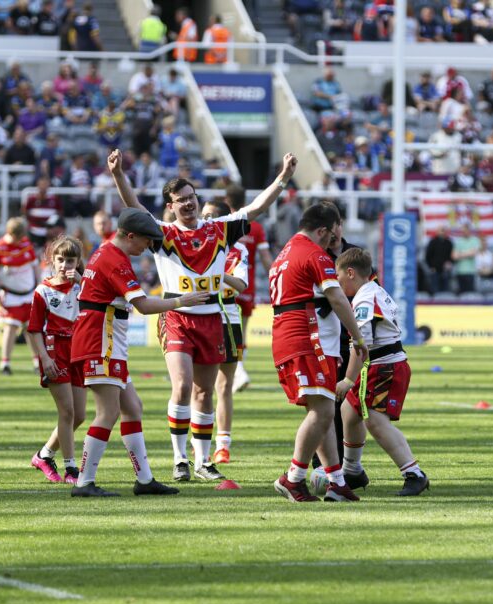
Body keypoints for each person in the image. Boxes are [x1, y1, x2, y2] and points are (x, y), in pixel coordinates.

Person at [107, 148, 297, 483]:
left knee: (204, 393)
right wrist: (119, 175)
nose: (188, 203)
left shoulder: (220, 228)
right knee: (181, 386)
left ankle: (203, 461)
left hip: (213, 319)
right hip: (177, 317)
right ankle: (180, 460)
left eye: (191, 197)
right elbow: (134, 209)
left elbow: (257, 208)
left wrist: (282, 179)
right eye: (180, 199)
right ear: (170, 206)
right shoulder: (163, 234)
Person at [69, 208, 206, 497]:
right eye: (146, 240)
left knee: (132, 408)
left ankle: (144, 480)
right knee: (108, 412)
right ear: (130, 236)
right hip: (101, 342)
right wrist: (181, 301)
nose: (148, 247)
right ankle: (84, 482)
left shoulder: (105, 252)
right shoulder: (114, 259)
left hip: (104, 340)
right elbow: (143, 306)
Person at [269, 201, 367, 502]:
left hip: (293, 334)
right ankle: (293, 477)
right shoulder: (314, 253)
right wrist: (357, 337)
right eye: (332, 233)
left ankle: (336, 481)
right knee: (324, 410)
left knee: (321, 410)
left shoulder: (285, 252)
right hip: (307, 337)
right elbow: (337, 298)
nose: (333, 240)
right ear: (322, 229)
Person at [335, 248, 429, 496]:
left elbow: (360, 344)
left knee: (375, 421)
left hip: (384, 366)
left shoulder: (365, 299)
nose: (338, 282)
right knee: (349, 411)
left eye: (339, 276)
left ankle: (413, 473)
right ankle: (352, 470)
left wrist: (347, 379)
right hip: (382, 364)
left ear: (351, 273)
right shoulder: (374, 291)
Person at [26, 236, 85, 485]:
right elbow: (34, 329)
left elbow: (100, 305)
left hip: (78, 349)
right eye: (60, 260)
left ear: (78, 262)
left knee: (79, 415)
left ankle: (44, 455)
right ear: (52, 260)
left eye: (70, 260)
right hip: (54, 349)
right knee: (67, 411)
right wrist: (44, 357)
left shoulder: (82, 287)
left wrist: (83, 282)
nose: (64, 265)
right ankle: (71, 468)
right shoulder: (43, 290)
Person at [201, 199, 248, 465]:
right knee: (199, 386)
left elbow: (241, 285)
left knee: (223, 386)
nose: (205, 220)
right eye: (203, 215)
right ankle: (199, 444)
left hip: (227, 318)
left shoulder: (237, 250)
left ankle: (223, 445)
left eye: (210, 217)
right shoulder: (192, 245)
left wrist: (217, 273)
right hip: (198, 316)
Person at [224, 184, 273, 393]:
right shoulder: (256, 227)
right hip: (246, 287)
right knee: (240, 333)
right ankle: (238, 370)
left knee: (221, 331)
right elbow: (265, 259)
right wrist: (275, 281)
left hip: (224, 285)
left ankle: (237, 371)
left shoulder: (223, 223)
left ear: (227, 201)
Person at [0, 218, 40, 375]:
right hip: (11, 295)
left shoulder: (26, 243)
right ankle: (5, 364)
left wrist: (39, 287)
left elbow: (34, 265)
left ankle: (37, 361)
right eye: (18, 237)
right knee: (10, 328)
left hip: (29, 293)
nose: (20, 239)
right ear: (10, 233)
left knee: (32, 329)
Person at [23, 176, 62, 249]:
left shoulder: (54, 199)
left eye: (45, 184)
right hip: (34, 231)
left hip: (50, 233)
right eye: (42, 184)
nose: (43, 186)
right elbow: (25, 212)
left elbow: (60, 213)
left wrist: (53, 227)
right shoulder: (32, 199)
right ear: (38, 185)